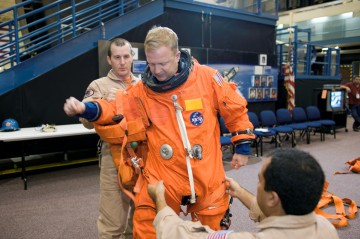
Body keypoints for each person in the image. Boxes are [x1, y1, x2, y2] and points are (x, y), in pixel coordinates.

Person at [63, 26, 255, 238]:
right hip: (163, 175)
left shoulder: (207, 78)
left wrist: (242, 147)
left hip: (205, 174)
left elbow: (234, 108)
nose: (157, 70)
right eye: (151, 64)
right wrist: (86, 109)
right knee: (147, 227)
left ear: (177, 55)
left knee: (211, 230)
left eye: (163, 63)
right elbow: (115, 109)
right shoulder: (141, 91)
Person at [147, 148, 340, 239]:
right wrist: (239, 193)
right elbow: (278, 215)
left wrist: (160, 202)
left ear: (273, 198)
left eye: (260, 181)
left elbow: (184, 235)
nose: (256, 185)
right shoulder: (325, 227)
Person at [80, 38, 138, 239]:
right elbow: (86, 121)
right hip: (114, 159)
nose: (122, 62)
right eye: (117, 57)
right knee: (112, 221)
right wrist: (106, 101)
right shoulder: (99, 85)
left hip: (143, 156)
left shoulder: (142, 85)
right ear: (109, 60)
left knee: (142, 216)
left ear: (132, 57)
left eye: (126, 56)